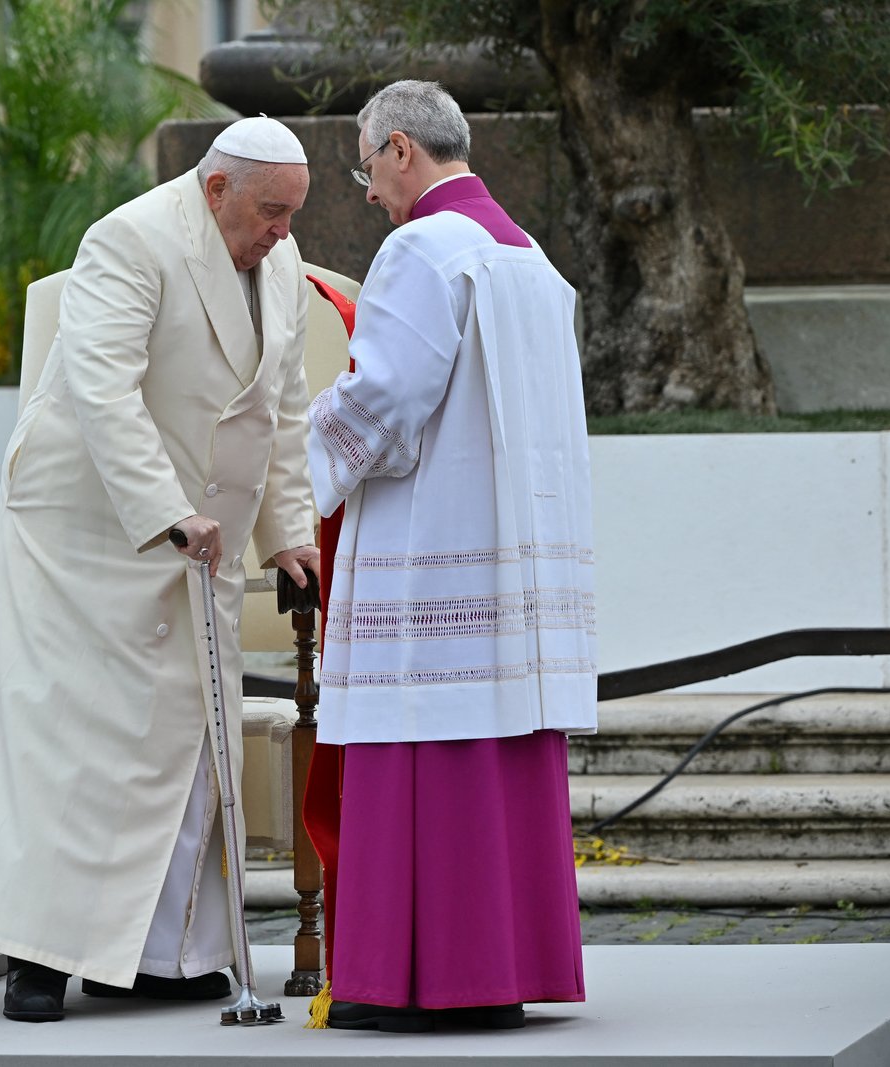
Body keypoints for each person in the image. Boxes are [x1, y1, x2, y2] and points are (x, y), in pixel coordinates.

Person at [0, 117, 320, 1023]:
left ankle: (149, 957)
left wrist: (287, 533)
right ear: (215, 189)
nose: (282, 234)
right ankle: (37, 955)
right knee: (69, 751)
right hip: (90, 534)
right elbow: (100, 388)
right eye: (270, 212)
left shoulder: (282, 261)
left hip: (194, 534)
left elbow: (280, 408)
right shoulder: (129, 239)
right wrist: (163, 511)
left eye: (293, 215)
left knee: (179, 748)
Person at [304, 80, 597, 1032]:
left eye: (366, 171)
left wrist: (292, 466)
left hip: (431, 550)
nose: (371, 194)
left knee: (421, 741)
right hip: (514, 556)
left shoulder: (423, 250)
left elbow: (381, 403)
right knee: (500, 753)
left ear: (400, 150)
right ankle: (498, 969)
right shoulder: (532, 261)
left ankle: (414, 979)